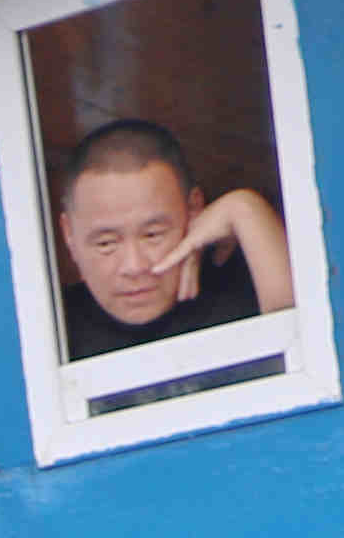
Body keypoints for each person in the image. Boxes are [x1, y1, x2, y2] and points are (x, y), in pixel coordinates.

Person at [48, 117, 297, 358]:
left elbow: (304, 334)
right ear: (69, 234)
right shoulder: (51, 334)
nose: (134, 266)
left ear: (193, 210)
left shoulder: (243, 281)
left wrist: (244, 208)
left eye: (152, 235)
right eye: (106, 243)